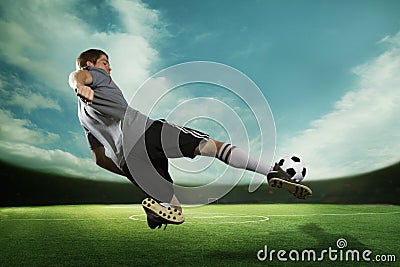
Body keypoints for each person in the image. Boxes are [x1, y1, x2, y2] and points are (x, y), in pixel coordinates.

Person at [68, 49, 312, 230]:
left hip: (128, 161)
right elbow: (76, 77)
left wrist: (130, 172)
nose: (109, 68)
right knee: (210, 147)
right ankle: (270, 171)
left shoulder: (82, 118)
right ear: (91, 64)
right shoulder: (95, 75)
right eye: (105, 63)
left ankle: (158, 212)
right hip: (146, 133)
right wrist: (81, 85)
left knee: (176, 209)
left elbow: (99, 160)